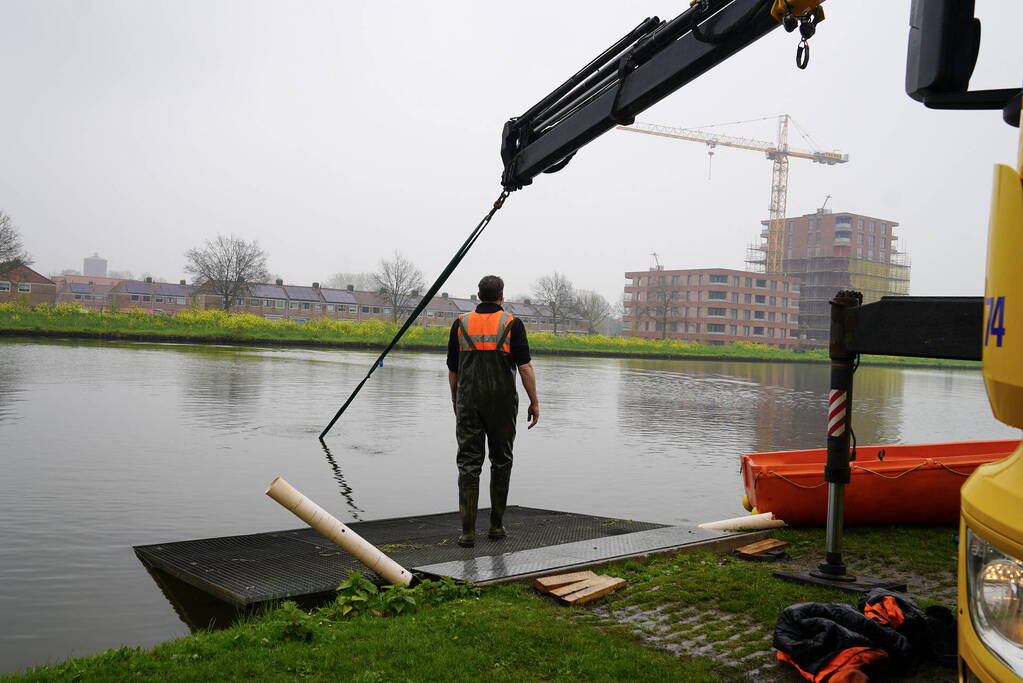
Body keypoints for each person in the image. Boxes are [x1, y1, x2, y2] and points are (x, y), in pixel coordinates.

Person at [447, 275, 539, 548]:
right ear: (501, 295)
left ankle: (467, 533)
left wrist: (456, 400)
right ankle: (496, 527)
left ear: (478, 295)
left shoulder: (461, 324)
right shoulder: (512, 323)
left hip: (469, 403)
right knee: (501, 461)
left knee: (468, 464)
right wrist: (534, 401)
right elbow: (525, 368)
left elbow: (453, 370)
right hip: (502, 405)